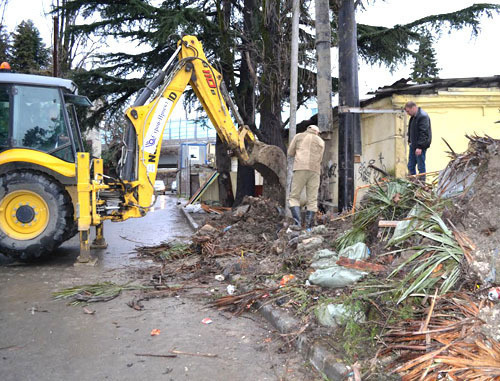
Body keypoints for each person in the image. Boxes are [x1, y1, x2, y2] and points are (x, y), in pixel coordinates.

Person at [287, 125, 325, 230]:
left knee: (294, 197)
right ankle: (308, 227)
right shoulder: (321, 141)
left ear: (307, 129)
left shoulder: (299, 136)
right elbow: (320, 158)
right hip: (315, 170)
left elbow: (290, 152)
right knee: (312, 199)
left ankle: (297, 224)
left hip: (300, 168)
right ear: (317, 132)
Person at [404, 101, 432, 181]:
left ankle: (422, 183)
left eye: (408, 111)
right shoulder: (414, 117)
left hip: (420, 146)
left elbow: (424, 133)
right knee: (411, 165)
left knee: (420, 166)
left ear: (413, 108)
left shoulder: (422, 116)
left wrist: (420, 147)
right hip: (413, 145)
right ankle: (412, 182)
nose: (407, 113)